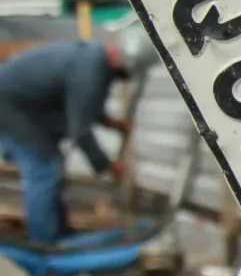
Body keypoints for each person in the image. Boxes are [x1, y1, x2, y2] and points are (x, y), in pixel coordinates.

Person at [0, 23, 160, 245]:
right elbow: (81, 131)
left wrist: (113, 124)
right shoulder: (91, 70)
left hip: (21, 107)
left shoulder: (94, 61)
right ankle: (43, 243)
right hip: (10, 108)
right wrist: (106, 165)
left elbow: (84, 106)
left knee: (50, 168)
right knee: (44, 170)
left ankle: (58, 233)